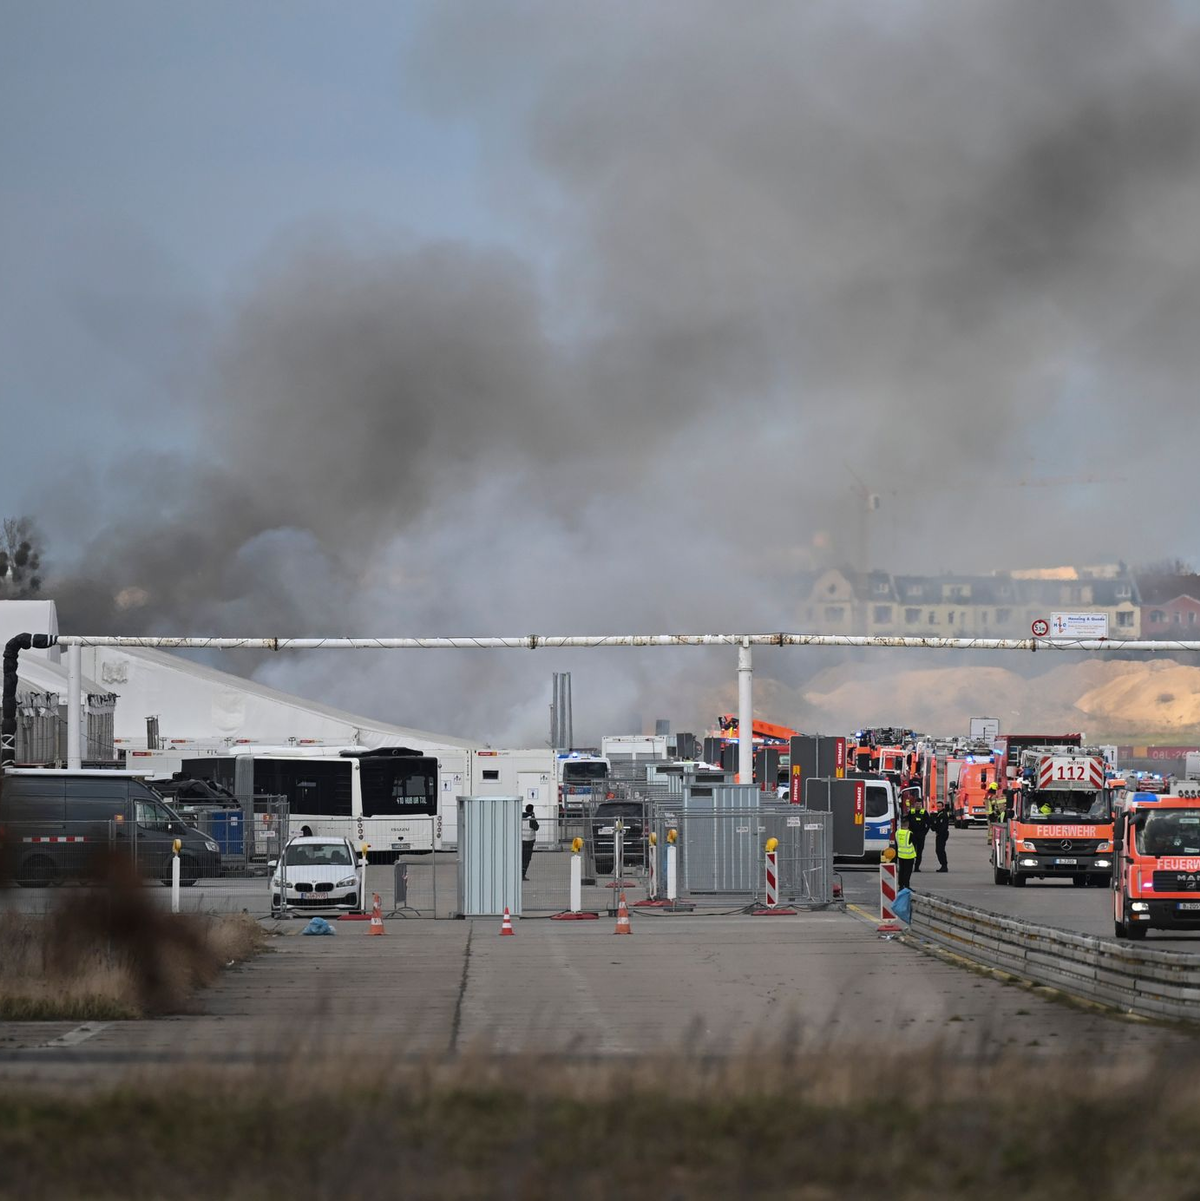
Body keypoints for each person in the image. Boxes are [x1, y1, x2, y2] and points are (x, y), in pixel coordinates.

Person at [895, 816, 917, 892]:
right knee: (907, 872)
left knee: (901, 871)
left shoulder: (897, 832)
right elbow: (915, 843)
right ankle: (906, 886)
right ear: (908, 825)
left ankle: (901, 885)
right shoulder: (909, 833)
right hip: (909, 855)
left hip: (901, 854)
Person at [930, 802, 951, 872]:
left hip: (942, 834)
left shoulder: (943, 815)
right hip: (940, 834)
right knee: (939, 850)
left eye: (940, 806)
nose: (938, 808)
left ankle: (944, 865)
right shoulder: (939, 814)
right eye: (937, 806)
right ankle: (943, 865)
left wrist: (937, 830)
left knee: (940, 850)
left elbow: (942, 826)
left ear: (943, 807)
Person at [521, 804, 539, 881]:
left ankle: (518, 873)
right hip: (529, 841)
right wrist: (533, 817)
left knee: (520, 858)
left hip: (520, 840)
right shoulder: (531, 818)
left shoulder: (521, 816)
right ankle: (522, 874)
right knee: (526, 859)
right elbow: (536, 827)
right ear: (532, 810)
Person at [908, 799, 928, 871]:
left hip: (921, 835)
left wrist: (924, 832)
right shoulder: (911, 812)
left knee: (919, 852)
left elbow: (928, 823)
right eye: (917, 804)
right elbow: (907, 822)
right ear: (914, 804)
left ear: (921, 805)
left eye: (919, 804)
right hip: (912, 834)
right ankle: (910, 866)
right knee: (911, 851)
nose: (918, 806)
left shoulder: (924, 812)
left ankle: (917, 867)